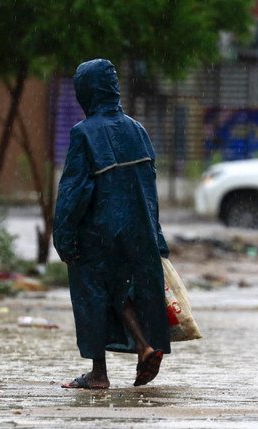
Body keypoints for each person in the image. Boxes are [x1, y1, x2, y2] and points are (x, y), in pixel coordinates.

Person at [53, 59, 171, 389]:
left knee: (94, 295)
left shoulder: (83, 134)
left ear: (86, 92)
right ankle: (145, 347)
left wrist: (64, 237)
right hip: (138, 232)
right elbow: (150, 189)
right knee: (125, 294)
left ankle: (98, 373)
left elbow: (73, 192)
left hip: (98, 234)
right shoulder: (138, 130)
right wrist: (156, 236)